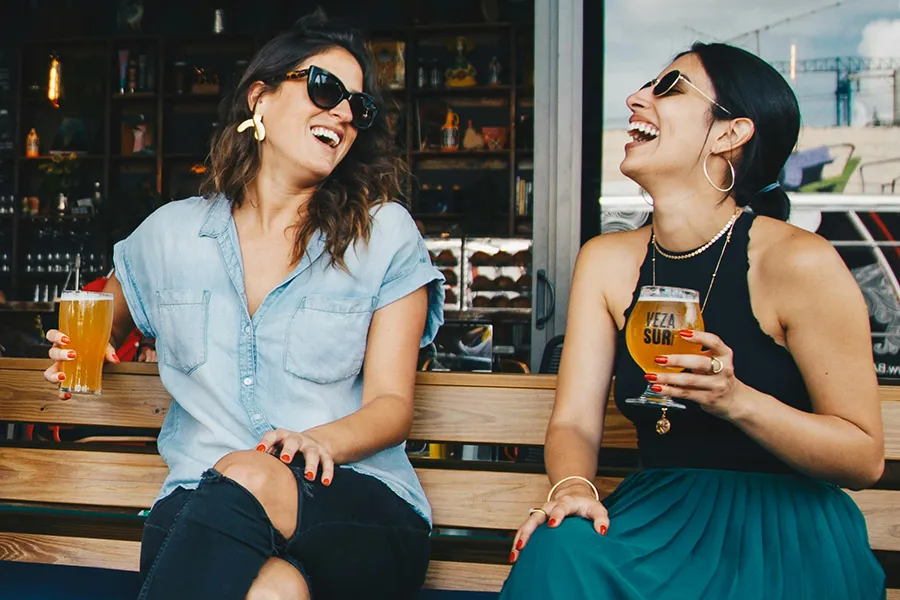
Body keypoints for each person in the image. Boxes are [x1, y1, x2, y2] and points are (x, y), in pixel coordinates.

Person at [43, 12, 444, 600]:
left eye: (358, 107)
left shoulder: (383, 234)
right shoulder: (170, 234)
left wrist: (319, 442)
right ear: (261, 96)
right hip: (200, 506)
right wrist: (82, 345)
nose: (342, 113)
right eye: (324, 89)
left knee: (254, 470)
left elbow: (391, 406)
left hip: (349, 501)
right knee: (272, 592)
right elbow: (100, 315)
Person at [502, 42, 885, 599]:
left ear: (730, 134)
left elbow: (864, 458)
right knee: (558, 549)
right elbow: (575, 424)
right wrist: (573, 488)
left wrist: (736, 400)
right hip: (655, 517)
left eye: (669, 88)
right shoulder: (606, 261)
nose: (636, 99)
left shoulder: (799, 262)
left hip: (784, 530)